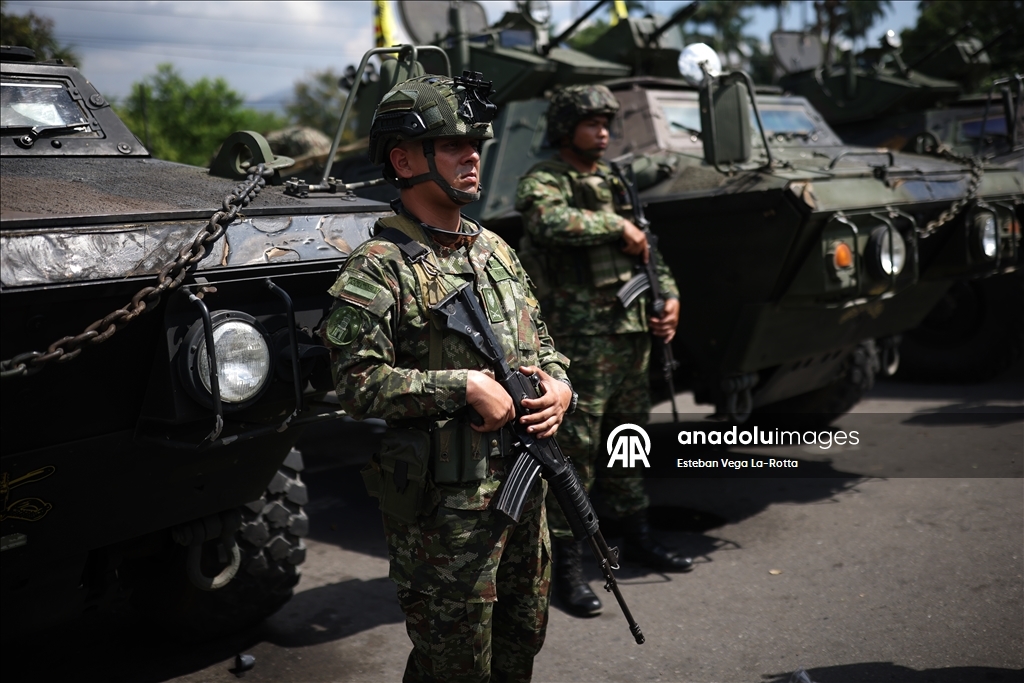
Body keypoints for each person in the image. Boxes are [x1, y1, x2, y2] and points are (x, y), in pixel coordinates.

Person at [324, 73, 573, 683]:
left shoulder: (496, 250)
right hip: (447, 519)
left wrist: (561, 387)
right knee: (453, 667)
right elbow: (356, 383)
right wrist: (461, 385)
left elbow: (541, 343)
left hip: (523, 495)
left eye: (476, 144)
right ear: (404, 159)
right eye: (453, 144)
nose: (472, 156)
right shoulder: (377, 267)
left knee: (520, 648)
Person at [515, 84, 694, 619]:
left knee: (627, 441)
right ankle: (567, 566)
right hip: (580, 341)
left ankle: (634, 533)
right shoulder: (545, 179)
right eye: (591, 122)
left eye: (606, 123)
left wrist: (669, 298)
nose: (603, 132)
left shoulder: (615, 178)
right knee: (577, 455)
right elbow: (546, 220)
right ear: (566, 128)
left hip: (630, 333)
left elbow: (647, 246)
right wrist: (613, 225)